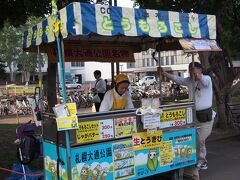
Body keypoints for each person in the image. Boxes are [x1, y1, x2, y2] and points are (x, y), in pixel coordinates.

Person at [161, 62, 214, 170]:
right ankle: (194, 159)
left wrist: (198, 75)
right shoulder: (189, 80)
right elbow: (177, 79)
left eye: (193, 69)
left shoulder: (207, 78)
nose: (191, 71)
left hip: (205, 116)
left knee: (200, 139)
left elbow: (204, 82)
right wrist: (165, 73)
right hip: (193, 115)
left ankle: (202, 161)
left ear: (200, 70)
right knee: (193, 137)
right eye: (190, 69)